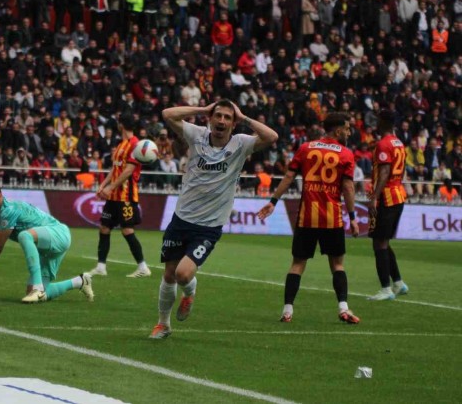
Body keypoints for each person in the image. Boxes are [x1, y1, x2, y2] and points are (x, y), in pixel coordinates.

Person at [149, 100, 278, 339]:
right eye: (218, 115)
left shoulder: (241, 143)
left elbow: (271, 137)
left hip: (209, 225)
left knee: (183, 274)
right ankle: (163, 324)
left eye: (227, 117)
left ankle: (190, 292)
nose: (221, 121)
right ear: (210, 118)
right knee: (169, 274)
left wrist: (243, 117)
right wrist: (202, 110)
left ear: (233, 123)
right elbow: (167, 114)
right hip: (182, 217)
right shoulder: (197, 135)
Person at [258, 113, 360, 325]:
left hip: (307, 217)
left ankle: (287, 311)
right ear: (338, 130)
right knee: (337, 264)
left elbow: (289, 176)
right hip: (332, 218)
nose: (349, 132)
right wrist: (352, 217)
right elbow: (348, 187)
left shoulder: (306, 148)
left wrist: (273, 201)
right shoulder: (346, 154)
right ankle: (343, 308)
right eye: (347, 128)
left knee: (297, 264)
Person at [0, 181, 94, 304]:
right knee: (35, 296)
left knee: (24, 235)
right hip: (45, 249)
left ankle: (38, 288)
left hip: (58, 234)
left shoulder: (9, 210)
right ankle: (80, 281)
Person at [87, 113, 151, 278]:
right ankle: (101, 267)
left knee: (127, 230)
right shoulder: (121, 144)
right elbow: (116, 168)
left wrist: (110, 187)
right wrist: (103, 185)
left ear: (121, 125)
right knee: (104, 228)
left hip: (126, 196)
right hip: (114, 196)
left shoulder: (135, 144)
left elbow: (129, 170)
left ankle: (143, 267)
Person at [367, 110, 409, 301]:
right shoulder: (399, 143)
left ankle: (386, 289)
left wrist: (374, 197)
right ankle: (398, 283)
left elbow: (384, 173)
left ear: (383, 122)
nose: (375, 124)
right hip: (399, 194)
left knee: (379, 242)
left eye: (377, 121)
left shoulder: (383, 144)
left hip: (387, 197)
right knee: (384, 241)